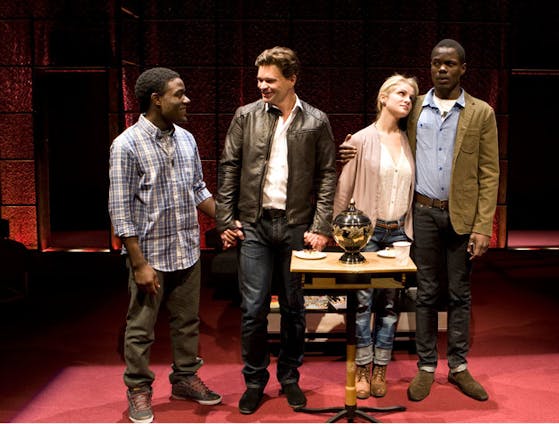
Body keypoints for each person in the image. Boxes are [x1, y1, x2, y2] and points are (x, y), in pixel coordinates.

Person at [339, 39, 500, 402]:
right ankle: (426, 366)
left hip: (461, 216)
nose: (442, 69)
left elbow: (489, 173)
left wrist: (482, 226)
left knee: (459, 293)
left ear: (463, 69)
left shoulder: (481, 113)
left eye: (449, 64)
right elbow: (383, 133)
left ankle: (458, 366)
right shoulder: (414, 110)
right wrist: (352, 145)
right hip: (422, 214)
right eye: (435, 64)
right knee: (425, 293)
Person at [216, 46, 336, 415]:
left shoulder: (316, 120)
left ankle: (289, 377)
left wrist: (320, 226)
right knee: (252, 309)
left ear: (291, 79)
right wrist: (225, 218)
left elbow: (327, 175)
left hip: (296, 227)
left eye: (270, 80)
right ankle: (254, 381)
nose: (262, 86)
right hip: (254, 225)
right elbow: (229, 166)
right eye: (259, 80)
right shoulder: (245, 116)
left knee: (294, 308)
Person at [108, 67, 222, 424]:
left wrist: (229, 219)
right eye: (179, 94)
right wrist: (139, 264)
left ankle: (185, 377)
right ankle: (139, 388)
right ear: (156, 99)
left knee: (187, 321)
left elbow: (197, 190)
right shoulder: (126, 144)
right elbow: (121, 210)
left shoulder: (187, 139)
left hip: (186, 247)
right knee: (140, 329)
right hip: (150, 255)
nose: (186, 100)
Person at [333, 74, 418, 399]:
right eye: (401, 93)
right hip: (366, 231)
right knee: (363, 304)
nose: (407, 100)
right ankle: (364, 370)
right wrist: (333, 229)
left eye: (411, 96)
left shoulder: (409, 139)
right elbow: (344, 187)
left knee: (390, 304)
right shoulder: (360, 140)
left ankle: (381, 367)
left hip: (399, 232)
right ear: (383, 97)